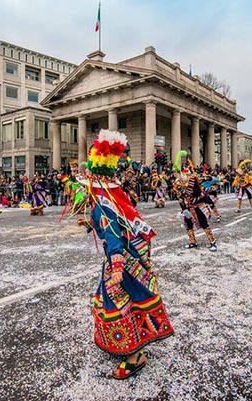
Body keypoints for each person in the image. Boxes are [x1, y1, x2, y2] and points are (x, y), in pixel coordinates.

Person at [64, 129, 173, 380]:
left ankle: (134, 355)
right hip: (129, 254)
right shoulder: (110, 196)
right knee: (129, 299)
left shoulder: (102, 202)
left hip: (121, 259)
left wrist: (115, 268)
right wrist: (91, 224)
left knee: (118, 302)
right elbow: (119, 222)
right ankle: (133, 342)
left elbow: (113, 234)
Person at [173, 151, 217, 251]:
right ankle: (193, 241)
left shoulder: (193, 180)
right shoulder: (178, 184)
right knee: (188, 224)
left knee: (203, 223)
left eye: (178, 174)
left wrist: (209, 202)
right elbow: (180, 198)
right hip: (189, 207)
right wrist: (184, 209)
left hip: (198, 206)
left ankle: (213, 242)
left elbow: (200, 191)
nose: (177, 176)